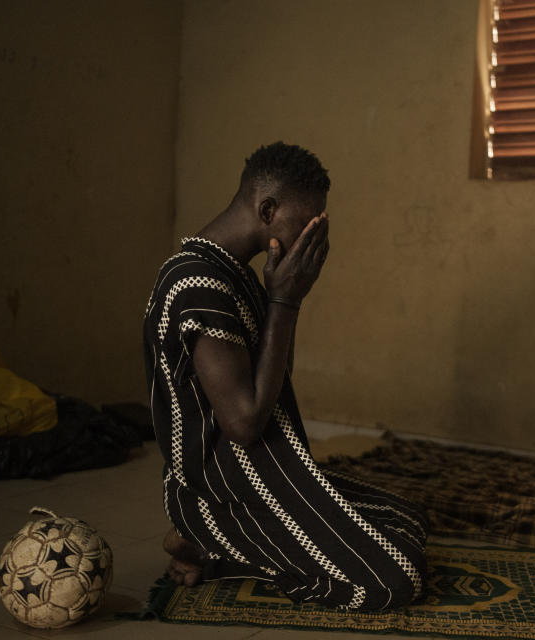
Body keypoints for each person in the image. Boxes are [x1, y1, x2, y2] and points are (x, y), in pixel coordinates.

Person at [143, 142, 428, 610]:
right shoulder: (197, 284)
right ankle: (206, 535)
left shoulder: (237, 276)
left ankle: (218, 541)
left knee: (408, 518)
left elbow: (274, 385)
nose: (313, 235)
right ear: (268, 209)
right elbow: (246, 423)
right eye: (309, 221)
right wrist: (286, 302)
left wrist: (284, 298)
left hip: (267, 472)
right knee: (397, 579)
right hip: (224, 488)